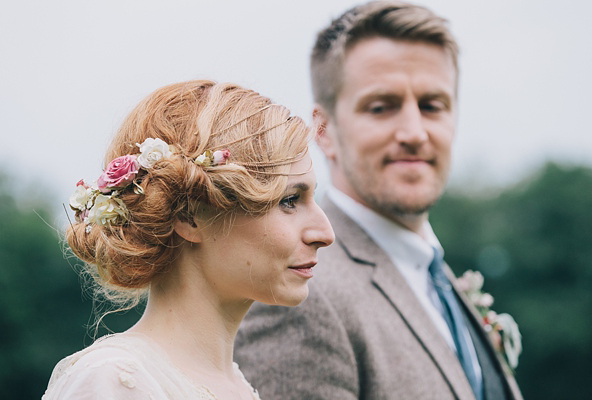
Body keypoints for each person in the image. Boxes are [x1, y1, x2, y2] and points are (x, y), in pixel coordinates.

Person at [234, 2, 523, 399]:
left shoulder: (438, 279)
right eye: (381, 107)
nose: (414, 132)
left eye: (431, 106)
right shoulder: (297, 295)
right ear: (324, 131)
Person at [43, 80, 334, 399]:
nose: (325, 234)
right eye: (289, 200)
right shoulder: (114, 382)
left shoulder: (237, 387)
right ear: (189, 214)